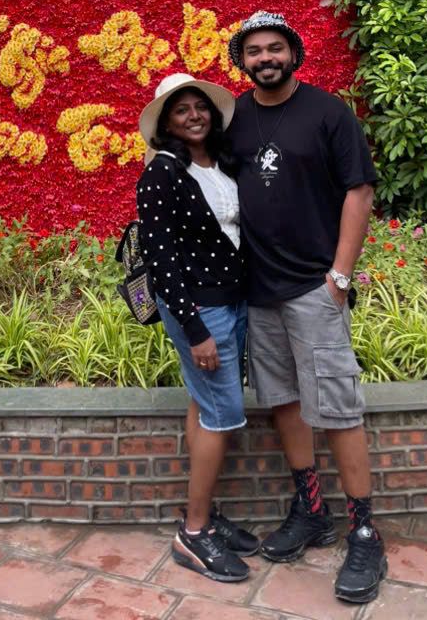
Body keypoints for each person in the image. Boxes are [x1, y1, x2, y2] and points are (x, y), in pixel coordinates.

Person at [226, 10, 387, 606]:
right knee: (284, 403)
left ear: (293, 54)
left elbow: (359, 190)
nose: (265, 58)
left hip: (314, 289)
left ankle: (364, 530)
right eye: (254, 51)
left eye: (275, 48)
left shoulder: (328, 112)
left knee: (338, 408)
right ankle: (311, 510)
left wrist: (339, 278)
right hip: (259, 291)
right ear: (242, 61)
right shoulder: (234, 118)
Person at [136, 72, 258, 586]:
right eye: (181, 109)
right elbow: (161, 259)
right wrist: (194, 330)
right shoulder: (161, 173)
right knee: (223, 415)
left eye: (199, 106)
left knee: (203, 405)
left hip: (233, 301)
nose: (193, 115)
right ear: (166, 122)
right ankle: (193, 531)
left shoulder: (220, 164)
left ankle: (203, 510)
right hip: (200, 311)